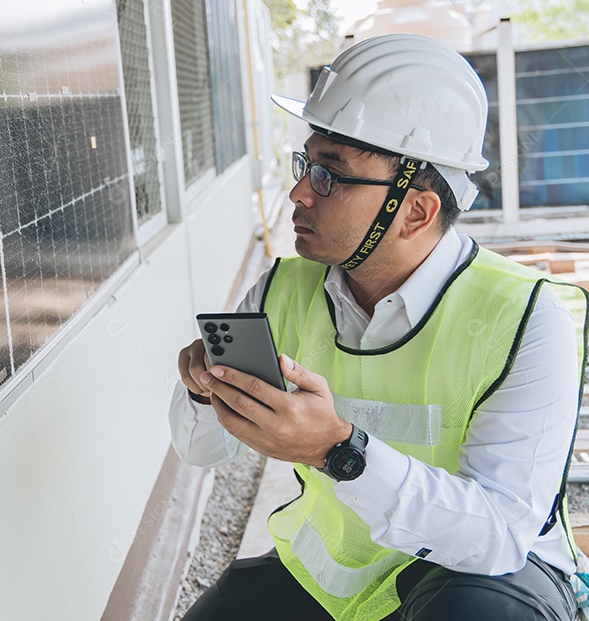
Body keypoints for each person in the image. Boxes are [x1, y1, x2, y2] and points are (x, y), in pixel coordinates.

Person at [171, 34, 589, 621]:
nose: (297, 193)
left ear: (415, 210)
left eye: (328, 176)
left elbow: (498, 535)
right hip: (332, 579)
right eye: (304, 165)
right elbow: (198, 451)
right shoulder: (280, 290)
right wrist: (199, 388)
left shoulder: (526, 317)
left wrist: (336, 451)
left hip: (476, 578)